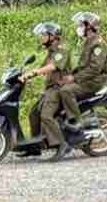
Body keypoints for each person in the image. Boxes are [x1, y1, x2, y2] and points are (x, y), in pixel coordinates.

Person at [52, 12, 107, 160]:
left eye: (81, 25)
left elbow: (94, 69)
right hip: (86, 78)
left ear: (89, 27)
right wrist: (68, 76)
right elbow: (83, 66)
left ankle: (76, 122)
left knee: (66, 91)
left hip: (94, 81)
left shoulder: (98, 44)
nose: (79, 28)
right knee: (60, 88)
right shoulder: (88, 42)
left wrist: (73, 78)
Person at [22, 22, 72, 160]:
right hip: (50, 89)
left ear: (52, 36)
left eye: (44, 35)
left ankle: (62, 145)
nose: (42, 37)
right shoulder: (51, 51)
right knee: (33, 113)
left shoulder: (62, 50)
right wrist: (26, 76)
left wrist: (35, 72)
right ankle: (36, 147)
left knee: (46, 115)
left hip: (59, 88)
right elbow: (43, 68)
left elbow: (53, 66)